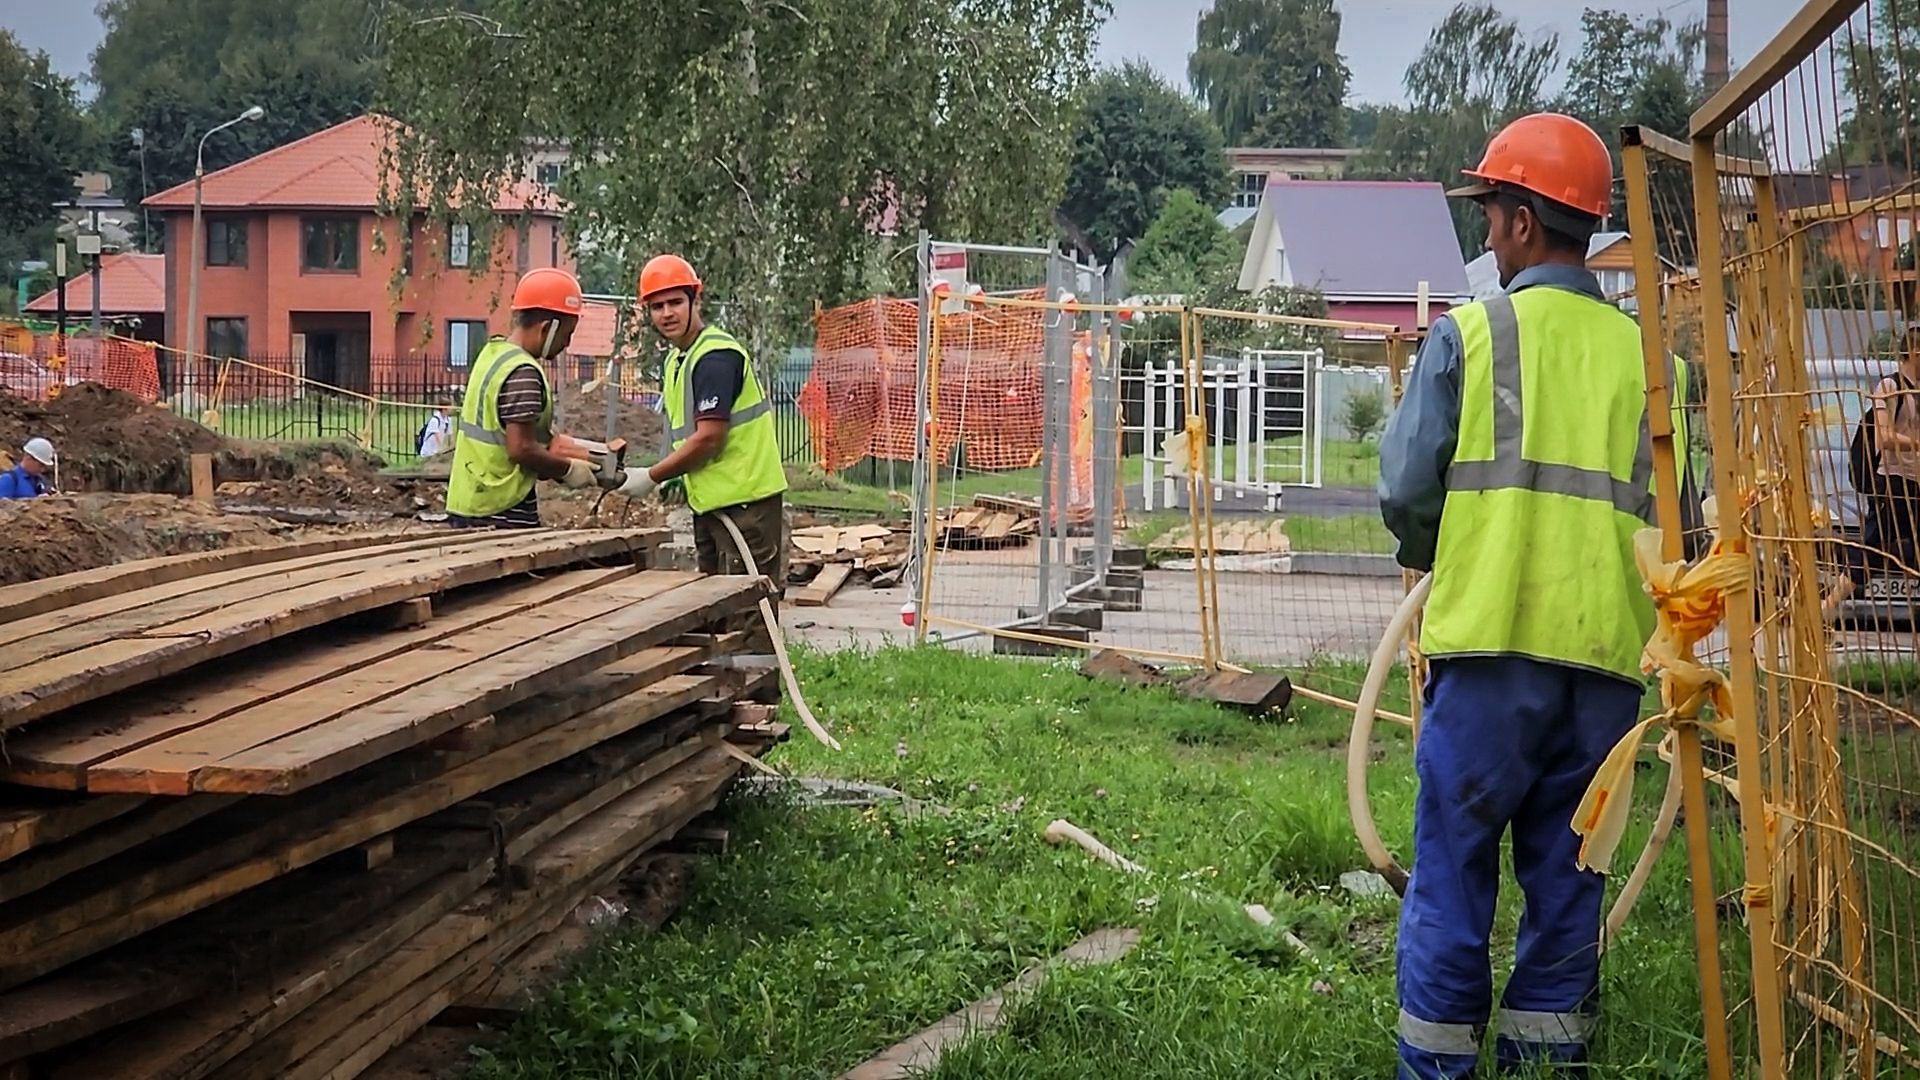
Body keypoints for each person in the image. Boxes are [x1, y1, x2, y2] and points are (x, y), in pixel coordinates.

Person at [1378, 112, 1676, 1079]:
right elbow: (1680, 520)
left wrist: (1440, 554)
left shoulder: (1473, 334)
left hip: (1489, 658)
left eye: (1490, 217)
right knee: (1566, 887)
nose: (1485, 239)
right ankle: (1545, 1068)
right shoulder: (1653, 364)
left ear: (1517, 223)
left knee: (1455, 876)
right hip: (1603, 676)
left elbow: (1409, 491)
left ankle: (1436, 1068)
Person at [613, 254, 789, 628]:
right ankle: (726, 684)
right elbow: (690, 436)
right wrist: (681, 474)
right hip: (713, 504)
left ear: (696, 300)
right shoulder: (680, 361)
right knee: (716, 609)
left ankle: (757, 687)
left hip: (746, 505)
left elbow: (709, 438)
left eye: (675, 302)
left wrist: (654, 475)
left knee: (748, 617)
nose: (666, 314)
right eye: (657, 306)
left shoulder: (714, 358)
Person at [446, 268, 602, 528]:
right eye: (567, 334)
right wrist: (567, 470)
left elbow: (512, 434)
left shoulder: (492, 354)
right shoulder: (523, 373)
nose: (567, 343)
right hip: (501, 507)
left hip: (470, 498)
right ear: (547, 328)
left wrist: (587, 454)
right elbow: (521, 448)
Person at [1824, 325, 1920, 621]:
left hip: (1915, 483)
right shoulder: (1890, 387)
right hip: (1894, 484)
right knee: (1871, 551)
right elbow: (1884, 438)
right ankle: (1823, 610)